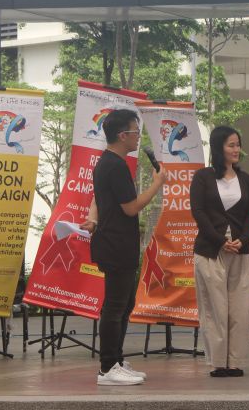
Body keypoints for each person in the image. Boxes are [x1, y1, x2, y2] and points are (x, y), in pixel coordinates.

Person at [90, 108, 167, 386]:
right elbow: (131, 208)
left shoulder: (110, 163)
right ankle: (107, 367)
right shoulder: (114, 165)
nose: (138, 137)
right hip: (115, 244)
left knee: (124, 305)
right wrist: (157, 184)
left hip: (117, 243)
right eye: (135, 131)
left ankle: (117, 360)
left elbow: (100, 200)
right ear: (122, 135)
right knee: (115, 306)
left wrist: (93, 218)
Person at [190, 126, 249, 377]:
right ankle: (218, 362)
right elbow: (198, 212)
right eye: (231, 145)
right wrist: (220, 241)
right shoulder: (203, 177)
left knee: (240, 308)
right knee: (214, 308)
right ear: (219, 147)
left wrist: (243, 239)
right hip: (210, 250)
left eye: (238, 144)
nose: (236, 149)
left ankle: (236, 361)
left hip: (240, 251)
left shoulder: (246, 179)